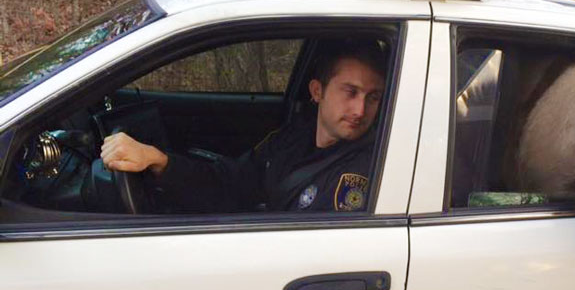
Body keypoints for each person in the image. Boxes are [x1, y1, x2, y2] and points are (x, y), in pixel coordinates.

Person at [100, 41, 386, 213]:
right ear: (317, 91)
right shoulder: (293, 136)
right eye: (350, 92)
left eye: (373, 97)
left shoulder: (370, 165)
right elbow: (233, 182)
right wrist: (159, 162)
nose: (360, 110)